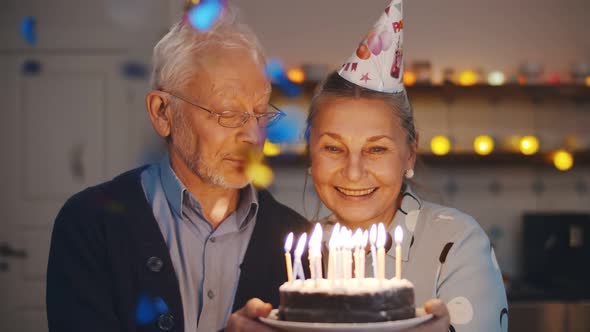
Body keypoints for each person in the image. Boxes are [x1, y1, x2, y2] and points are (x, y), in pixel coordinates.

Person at [46, 7, 310, 332]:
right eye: (229, 113)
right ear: (162, 113)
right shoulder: (89, 224)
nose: (252, 136)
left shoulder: (299, 240)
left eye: (260, 113)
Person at [304, 0, 508, 331]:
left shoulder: (456, 243)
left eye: (376, 149)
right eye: (332, 147)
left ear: (409, 154)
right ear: (310, 155)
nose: (354, 171)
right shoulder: (300, 251)